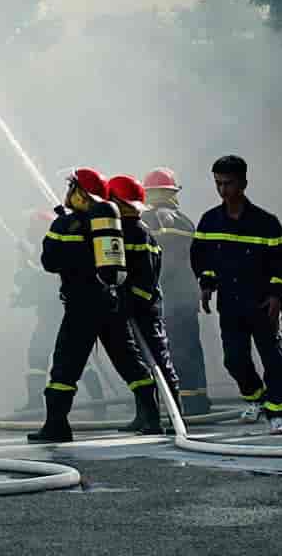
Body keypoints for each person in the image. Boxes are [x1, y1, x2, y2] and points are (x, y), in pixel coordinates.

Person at [29, 166, 147, 443]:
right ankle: (150, 416)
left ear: (81, 193)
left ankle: (56, 425)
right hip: (111, 302)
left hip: (80, 306)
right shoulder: (112, 226)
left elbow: (49, 263)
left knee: (65, 366)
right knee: (128, 360)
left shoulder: (65, 224)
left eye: (72, 187)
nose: (68, 193)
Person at [192, 153, 282, 434]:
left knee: (273, 358)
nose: (223, 190)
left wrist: (277, 295)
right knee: (234, 359)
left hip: (262, 303)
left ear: (244, 183)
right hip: (231, 304)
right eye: (218, 184)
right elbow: (201, 257)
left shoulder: (266, 222)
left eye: (228, 183)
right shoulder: (209, 221)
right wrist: (206, 283)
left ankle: (277, 414)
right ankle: (256, 398)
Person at [107, 173, 178, 435]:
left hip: (145, 308)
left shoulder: (137, 232)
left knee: (159, 360)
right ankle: (145, 416)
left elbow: (146, 280)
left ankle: (174, 416)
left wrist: (130, 302)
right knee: (139, 362)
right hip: (131, 305)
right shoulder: (122, 230)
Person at [144, 167, 211, 416]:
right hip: (188, 296)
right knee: (191, 347)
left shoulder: (149, 220)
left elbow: (158, 261)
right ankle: (197, 400)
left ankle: (176, 405)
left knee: (168, 350)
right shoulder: (185, 220)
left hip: (165, 297)